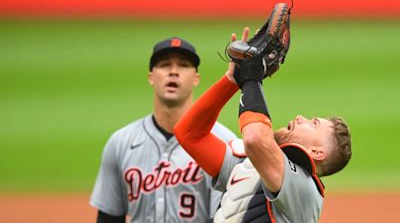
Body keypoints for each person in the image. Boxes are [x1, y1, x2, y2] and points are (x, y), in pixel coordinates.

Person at [174, 28, 352, 223]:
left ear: (317, 152)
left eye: (314, 123)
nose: (301, 117)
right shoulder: (250, 165)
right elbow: (190, 134)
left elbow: (255, 138)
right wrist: (232, 81)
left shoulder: (304, 189)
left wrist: (251, 78)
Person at [90, 37, 237, 223]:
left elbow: (222, 218)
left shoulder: (222, 142)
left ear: (196, 79)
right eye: (165, 65)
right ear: (151, 76)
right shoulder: (120, 143)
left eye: (183, 65)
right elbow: (109, 218)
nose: (173, 72)